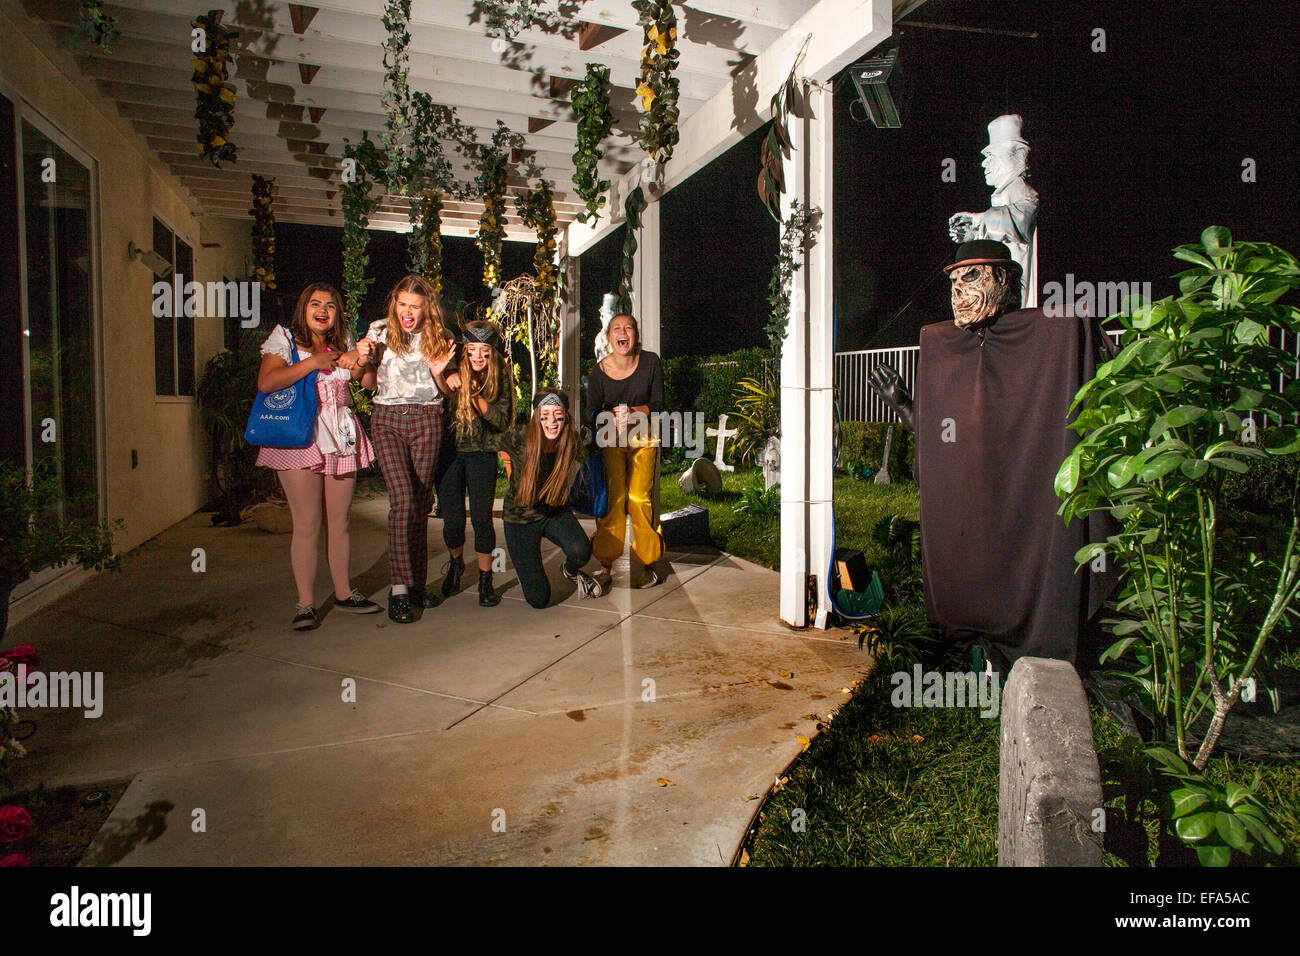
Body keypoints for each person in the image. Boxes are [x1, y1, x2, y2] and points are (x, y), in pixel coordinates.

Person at [255, 282, 380, 630]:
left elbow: (368, 384)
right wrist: (313, 362)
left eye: (330, 305)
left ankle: (343, 593)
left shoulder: (346, 343)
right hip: (300, 435)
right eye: (315, 303)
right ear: (304, 309)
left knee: (339, 521)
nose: (322, 309)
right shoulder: (285, 340)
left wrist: (364, 360)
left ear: (338, 313)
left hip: (341, 434)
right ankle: (305, 604)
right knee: (307, 523)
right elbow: (266, 383)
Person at [357, 274, 457, 623]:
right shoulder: (379, 332)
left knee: (419, 503)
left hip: (427, 418)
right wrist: (362, 359)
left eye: (415, 306)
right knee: (402, 499)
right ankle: (399, 588)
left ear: (427, 307)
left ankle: (415, 584)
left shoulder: (442, 339)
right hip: (387, 418)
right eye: (402, 305)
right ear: (394, 304)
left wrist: (442, 373)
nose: (408, 312)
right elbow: (366, 380)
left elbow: (446, 391)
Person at [435, 319, 514, 607]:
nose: (478, 356)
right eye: (472, 350)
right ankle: (456, 564)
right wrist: (449, 375)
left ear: (492, 352)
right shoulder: (451, 369)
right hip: (450, 453)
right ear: (463, 351)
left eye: (484, 350)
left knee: (482, 519)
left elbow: (502, 420)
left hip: (482, 453)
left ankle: (486, 579)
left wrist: (477, 399)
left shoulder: (500, 376)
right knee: (453, 521)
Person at [498, 389, 601, 608]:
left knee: (581, 551)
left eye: (558, 414)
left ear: (566, 416)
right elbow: (490, 443)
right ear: (537, 416)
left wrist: (611, 433)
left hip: (553, 512)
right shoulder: (520, 436)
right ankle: (529, 570)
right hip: (521, 520)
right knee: (539, 599)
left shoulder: (569, 440)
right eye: (545, 414)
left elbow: (588, 453)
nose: (552, 421)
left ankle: (569, 571)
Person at [586, 313, 665, 586]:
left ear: (636, 335)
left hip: (644, 433)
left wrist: (634, 411)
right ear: (609, 338)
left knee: (639, 497)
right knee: (615, 497)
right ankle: (606, 562)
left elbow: (658, 405)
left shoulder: (651, 362)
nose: (623, 332)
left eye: (628, 328)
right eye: (617, 329)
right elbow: (591, 414)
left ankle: (648, 560)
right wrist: (609, 417)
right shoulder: (598, 372)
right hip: (611, 434)